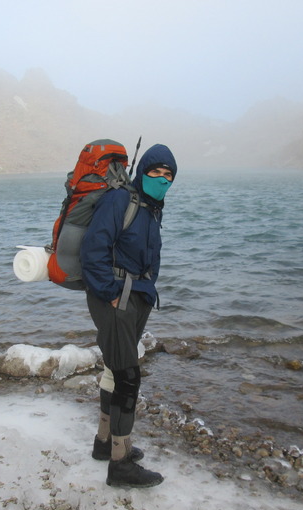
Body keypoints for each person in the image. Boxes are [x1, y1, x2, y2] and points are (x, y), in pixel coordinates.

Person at [80, 143, 177, 488]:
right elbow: (93, 250)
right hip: (115, 299)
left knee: (114, 367)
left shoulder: (152, 208)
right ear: (142, 172)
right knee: (128, 377)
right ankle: (121, 464)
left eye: (168, 175)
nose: (162, 179)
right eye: (156, 172)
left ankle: (104, 443)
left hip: (136, 299)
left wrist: (144, 296)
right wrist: (109, 295)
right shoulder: (120, 200)